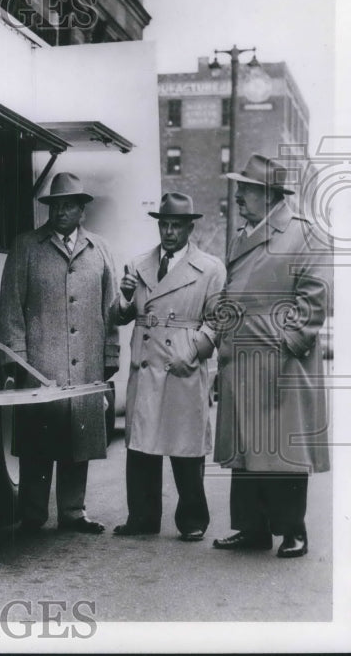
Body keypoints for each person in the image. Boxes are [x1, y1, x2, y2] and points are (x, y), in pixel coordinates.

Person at [212, 154, 331, 559]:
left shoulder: (305, 235)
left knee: (283, 449)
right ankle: (252, 529)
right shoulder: (243, 235)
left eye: (245, 188)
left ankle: (292, 530)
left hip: (279, 362)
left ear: (269, 194)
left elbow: (312, 305)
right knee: (246, 450)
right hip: (240, 357)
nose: (239, 195)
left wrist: (281, 347)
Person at [0, 172, 119, 534]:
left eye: (69, 205)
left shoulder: (101, 250)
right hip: (39, 364)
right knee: (38, 439)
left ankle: (73, 512)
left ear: (83, 211)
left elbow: (110, 308)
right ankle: (33, 514)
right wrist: (15, 362)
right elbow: (11, 309)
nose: (61, 211)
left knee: (77, 437)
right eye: (56, 205)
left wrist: (110, 356)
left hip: (86, 363)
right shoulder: (27, 247)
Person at [112, 192, 226, 541]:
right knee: (142, 445)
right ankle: (142, 518)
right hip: (146, 364)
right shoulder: (138, 265)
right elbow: (119, 315)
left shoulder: (210, 269)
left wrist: (190, 351)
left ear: (190, 228)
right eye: (165, 225)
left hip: (181, 364)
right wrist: (127, 295)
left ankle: (192, 520)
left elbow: (217, 321)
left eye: (177, 226)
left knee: (185, 446)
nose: (169, 232)